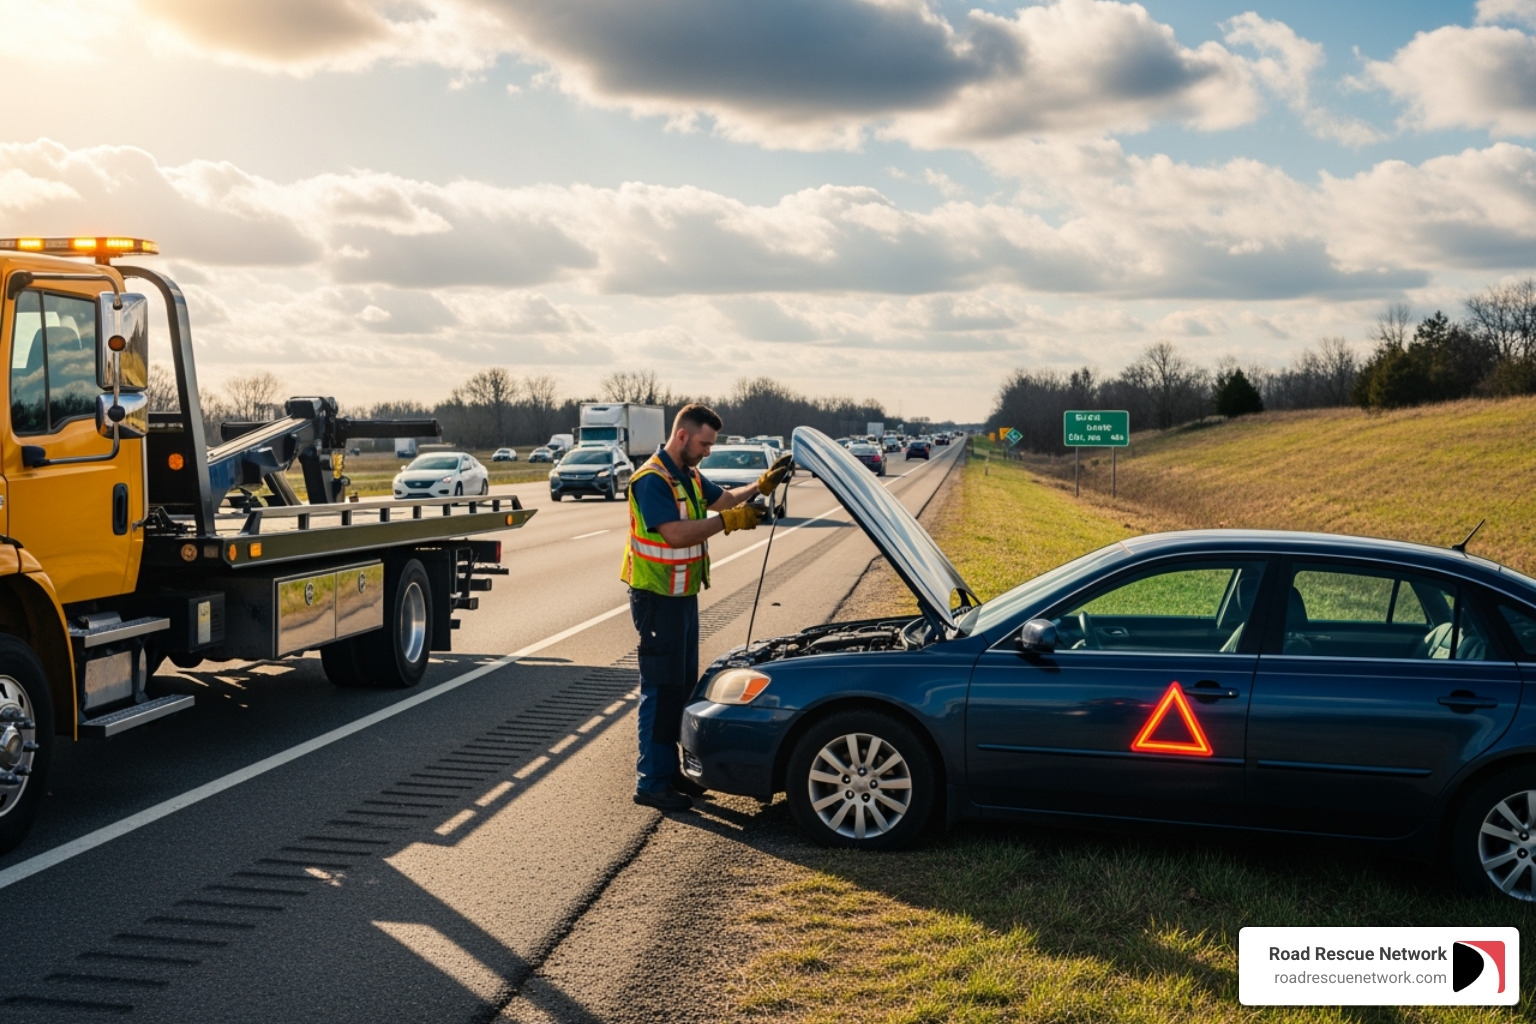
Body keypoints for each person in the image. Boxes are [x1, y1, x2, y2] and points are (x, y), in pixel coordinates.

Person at [621, 404, 793, 810]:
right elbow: (676, 534)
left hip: (681, 598)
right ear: (682, 436)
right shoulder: (651, 480)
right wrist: (730, 522)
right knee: (660, 693)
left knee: (681, 689)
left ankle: (672, 772)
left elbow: (724, 499)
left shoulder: (689, 474)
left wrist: (761, 486)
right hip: (656, 599)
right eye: (704, 443)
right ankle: (651, 782)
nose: (708, 451)